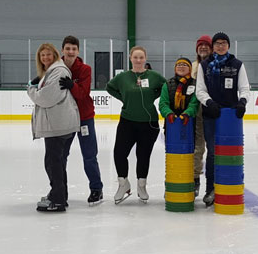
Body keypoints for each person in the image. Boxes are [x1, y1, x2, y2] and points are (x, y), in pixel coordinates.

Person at [195, 32, 251, 207]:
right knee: (213, 152)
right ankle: (210, 189)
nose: (220, 46)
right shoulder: (205, 65)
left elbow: (244, 88)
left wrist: (242, 102)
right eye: (217, 43)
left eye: (224, 43)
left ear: (228, 45)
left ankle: (231, 184)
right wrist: (209, 102)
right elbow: (200, 90)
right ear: (213, 46)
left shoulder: (237, 65)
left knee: (231, 152)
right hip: (211, 115)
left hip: (231, 117)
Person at [106, 46, 165, 204]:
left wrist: (153, 95)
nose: (138, 60)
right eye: (135, 57)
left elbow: (165, 88)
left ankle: (141, 185)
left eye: (141, 57)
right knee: (119, 153)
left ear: (145, 59)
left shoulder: (154, 76)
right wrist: (123, 97)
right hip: (127, 121)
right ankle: (123, 183)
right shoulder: (123, 77)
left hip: (149, 123)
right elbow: (109, 87)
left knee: (143, 155)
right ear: (130, 58)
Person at [28, 43, 80, 212]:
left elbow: (46, 98)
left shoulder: (58, 71)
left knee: (53, 162)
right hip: (57, 123)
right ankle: (59, 195)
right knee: (54, 161)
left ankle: (58, 200)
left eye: (48, 55)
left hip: (58, 124)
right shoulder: (52, 71)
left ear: (55, 55)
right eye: (42, 55)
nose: (45, 58)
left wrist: (31, 90)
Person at [58, 35, 104, 205]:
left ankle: (96, 189)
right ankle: (60, 190)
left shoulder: (85, 69)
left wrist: (71, 85)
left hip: (84, 118)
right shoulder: (56, 68)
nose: (71, 52)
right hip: (64, 118)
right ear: (62, 50)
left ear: (78, 51)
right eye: (68, 48)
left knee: (89, 155)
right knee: (61, 156)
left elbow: (82, 93)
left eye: (74, 49)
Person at [191, 35, 212, 197]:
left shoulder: (216, 64)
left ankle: (213, 184)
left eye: (206, 45)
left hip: (213, 109)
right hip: (197, 110)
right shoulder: (194, 65)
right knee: (198, 146)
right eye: (200, 45)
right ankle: (195, 179)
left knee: (213, 148)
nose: (203, 47)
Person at [158, 57, 199, 130]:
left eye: (184, 65)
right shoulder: (168, 84)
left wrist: (187, 114)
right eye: (179, 65)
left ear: (190, 68)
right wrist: (169, 113)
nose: (181, 67)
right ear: (175, 68)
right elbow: (163, 103)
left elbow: (194, 103)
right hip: (171, 123)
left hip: (190, 123)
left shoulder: (195, 84)